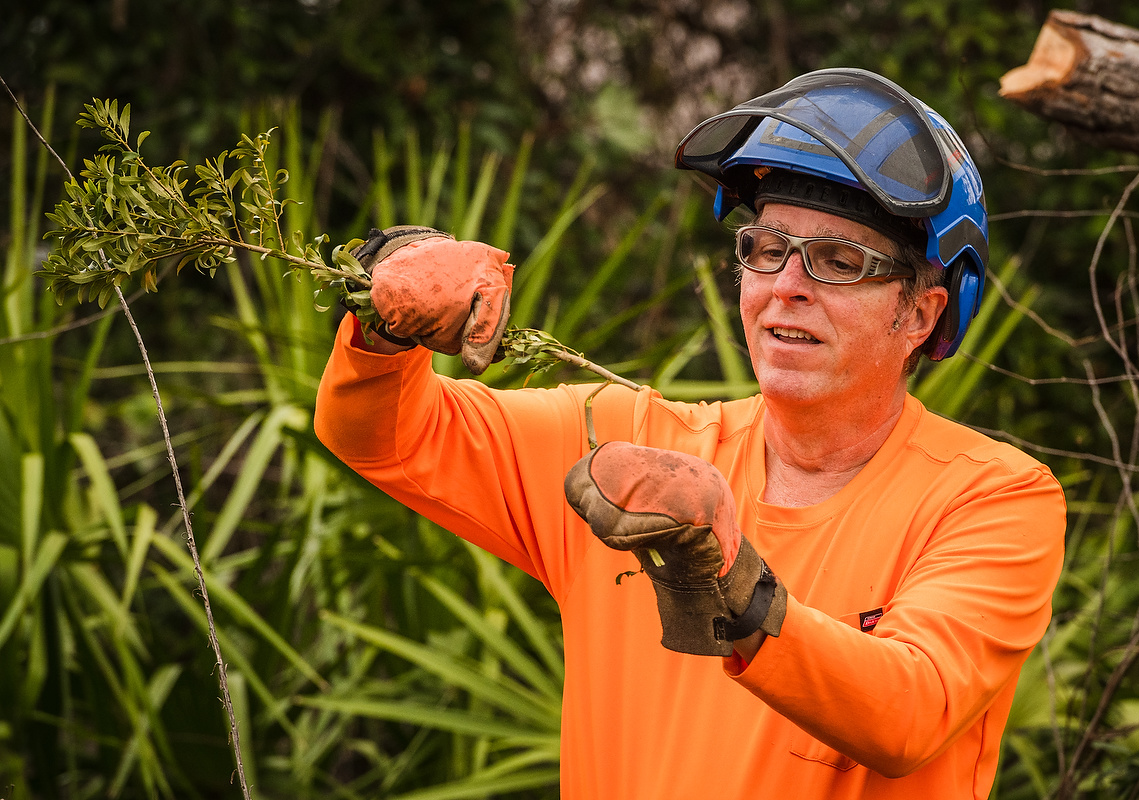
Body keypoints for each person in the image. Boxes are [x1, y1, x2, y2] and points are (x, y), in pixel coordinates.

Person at [315, 68, 1065, 799]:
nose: (787, 284)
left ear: (922, 315)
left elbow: (910, 712)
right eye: (767, 250)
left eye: (840, 262)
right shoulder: (629, 439)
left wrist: (732, 582)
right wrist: (388, 311)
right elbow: (385, 435)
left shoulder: (992, 496)